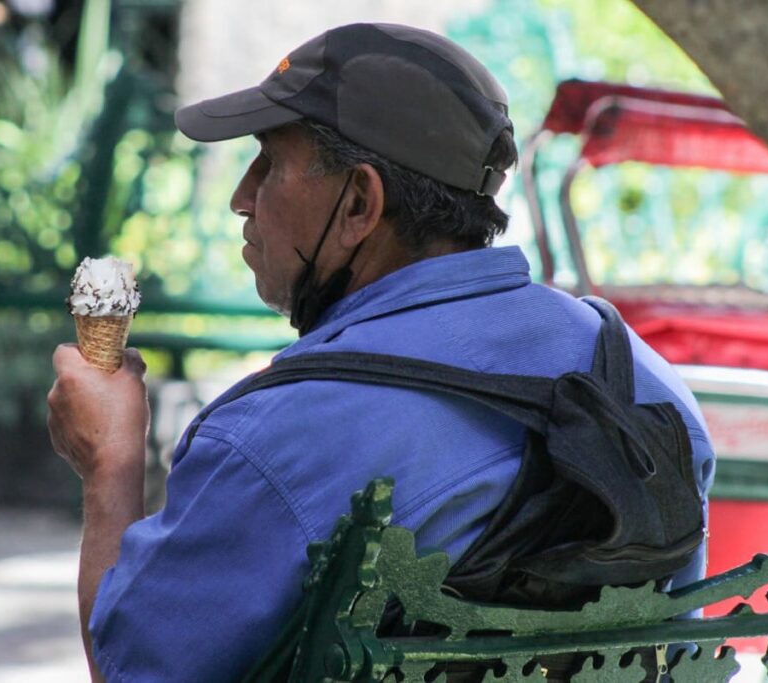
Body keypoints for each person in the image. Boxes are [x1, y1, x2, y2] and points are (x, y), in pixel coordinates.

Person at [47, 23, 714, 682]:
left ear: (361, 202)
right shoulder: (643, 386)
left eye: (270, 163)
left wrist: (110, 462)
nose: (240, 198)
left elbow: (131, 669)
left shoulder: (268, 441)